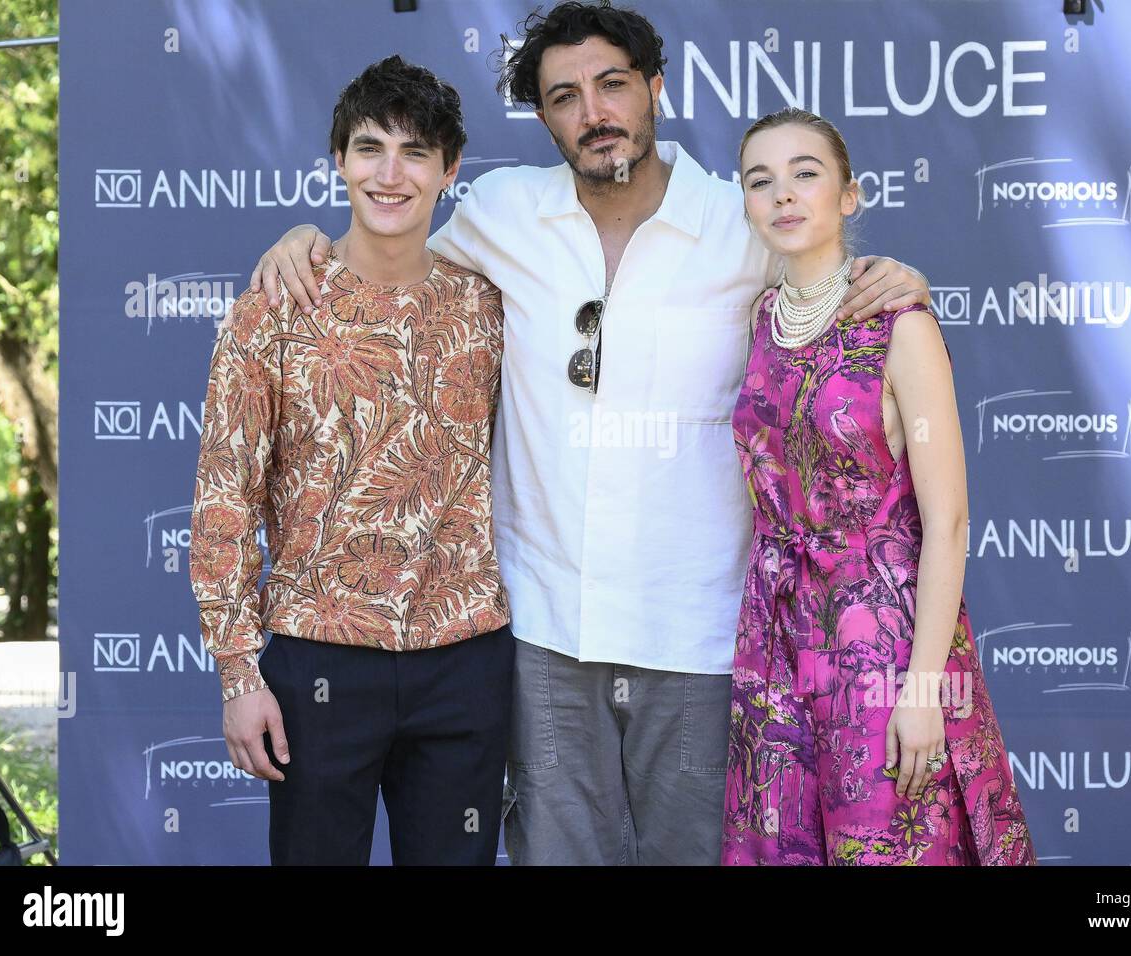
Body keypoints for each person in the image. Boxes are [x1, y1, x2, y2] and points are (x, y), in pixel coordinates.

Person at [250, 1, 932, 865]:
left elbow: (832, 279)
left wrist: (896, 275)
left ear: (654, 87)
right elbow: (390, 252)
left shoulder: (740, 223)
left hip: (698, 635)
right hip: (541, 639)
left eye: (612, 85)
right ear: (544, 118)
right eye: (564, 96)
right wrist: (307, 238)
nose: (593, 112)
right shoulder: (501, 212)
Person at [189, 55, 513, 865]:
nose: (390, 174)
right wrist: (239, 677)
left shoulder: (490, 306)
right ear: (338, 160)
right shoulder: (273, 310)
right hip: (316, 665)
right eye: (370, 149)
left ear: (451, 167)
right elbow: (224, 501)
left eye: (415, 152)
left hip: (464, 658)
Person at [722, 108, 1037, 865]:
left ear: (851, 195)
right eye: (761, 181)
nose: (784, 195)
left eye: (806, 174)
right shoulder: (761, 316)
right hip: (776, 634)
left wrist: (925, 690)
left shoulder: (900, 323)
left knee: (889, 845)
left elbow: (949, 521)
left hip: (882, 641)